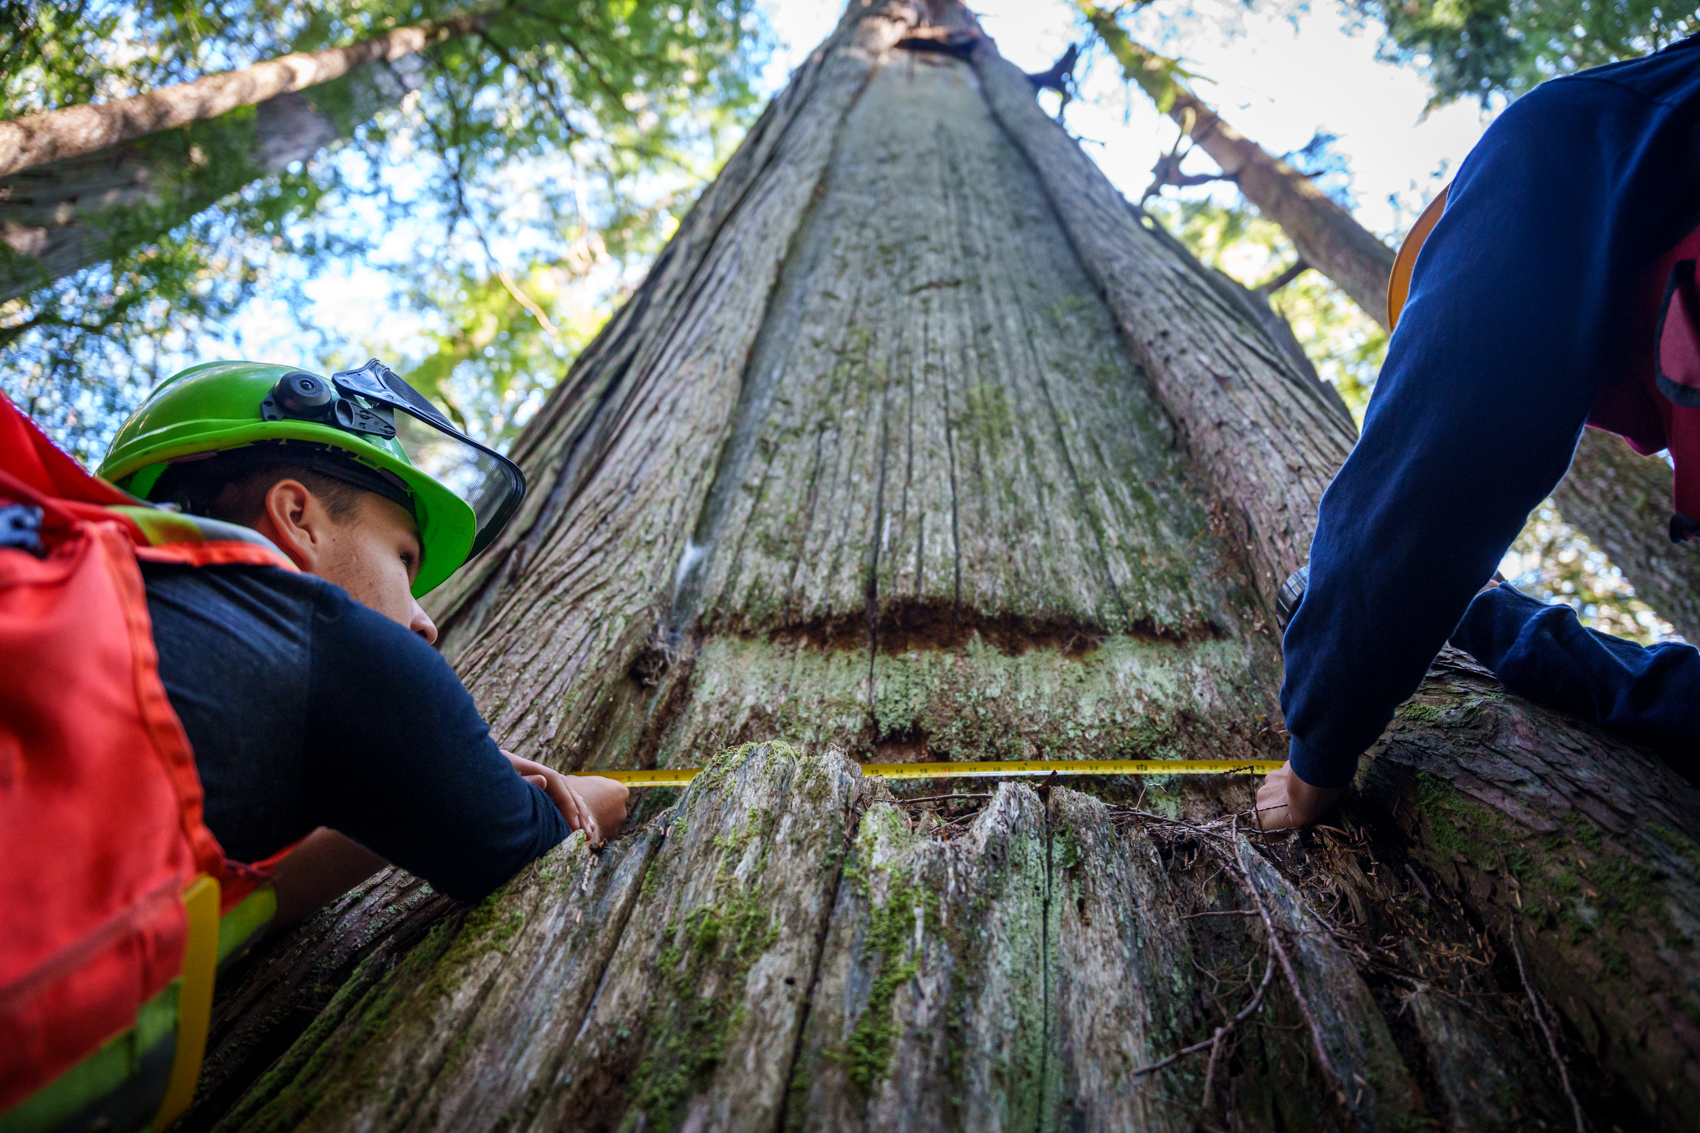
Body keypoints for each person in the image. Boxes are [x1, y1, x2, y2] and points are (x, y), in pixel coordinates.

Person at [1261, 36, 1700, 830]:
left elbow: (1435, 456)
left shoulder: (1557, 140)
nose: (1636, 438)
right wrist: (1498, 622)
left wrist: (1315, 750)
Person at [98, 358, 629, 924]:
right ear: (298, 518)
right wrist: (594, 801)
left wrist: (393, 785)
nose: (426, 623)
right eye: (403, 557)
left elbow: (187, 924)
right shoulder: (328, 637)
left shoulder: (140, 616)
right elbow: (522, 847)